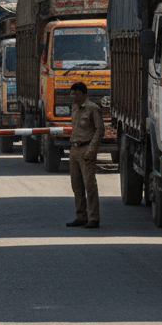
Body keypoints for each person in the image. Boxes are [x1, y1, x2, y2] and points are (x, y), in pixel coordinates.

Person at [67, 81, 103, 230]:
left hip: (86, 149)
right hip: (74, 149)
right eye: (72, 93)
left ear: (84, 94)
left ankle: (94, 218)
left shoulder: (93, 109)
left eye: (76, 93)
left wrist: (92, 150)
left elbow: (100, 130)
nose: (73, 96)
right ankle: (81, 216)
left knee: (89, 185)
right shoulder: (74, 108)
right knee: (76, 185)